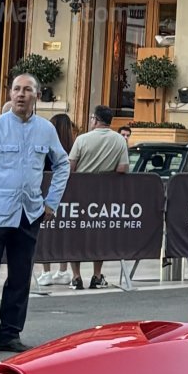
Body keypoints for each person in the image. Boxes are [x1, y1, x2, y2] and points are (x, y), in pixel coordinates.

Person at [0, 73, 70, 358]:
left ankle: (9, 334)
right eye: (16, 89)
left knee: (20, 278)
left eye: (27, 90)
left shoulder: (46, 130)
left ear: (37, 96)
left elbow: (62, 164)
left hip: (29, 215)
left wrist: (51, 202)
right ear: (10, 94)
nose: (21, 94)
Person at [67, 105, 131, 289]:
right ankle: (96, 275)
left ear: (95, 119)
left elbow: (70, 168)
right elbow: (123, 168)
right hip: (104, 195)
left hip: (80, 194)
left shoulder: (82, 139)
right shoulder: (120, 140)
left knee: (76, 234)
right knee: (99, 234)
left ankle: (76, 277)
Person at [36, 113, 77, 287]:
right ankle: (63, 270)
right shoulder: (73, 147)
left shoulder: (47, 145)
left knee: (46, 234)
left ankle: (46, 272)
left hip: (47, 193)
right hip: (70, 195)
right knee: (64, 232)